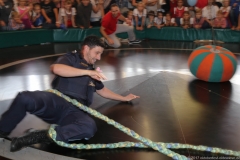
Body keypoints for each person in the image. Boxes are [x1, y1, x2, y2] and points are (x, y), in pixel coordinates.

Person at [0, 35, 140, 152]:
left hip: (74, 111)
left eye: (100, 54)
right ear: (86, 48)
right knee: (25, 98)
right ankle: (2, 131)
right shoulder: (72, 59)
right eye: (97, 53)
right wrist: (88, 72)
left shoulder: (93, 73)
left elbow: (102, 90)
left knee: (88, 127)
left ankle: (38, 136)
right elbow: (56, 68)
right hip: (57, 101)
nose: (99, 57)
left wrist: (123, 98)